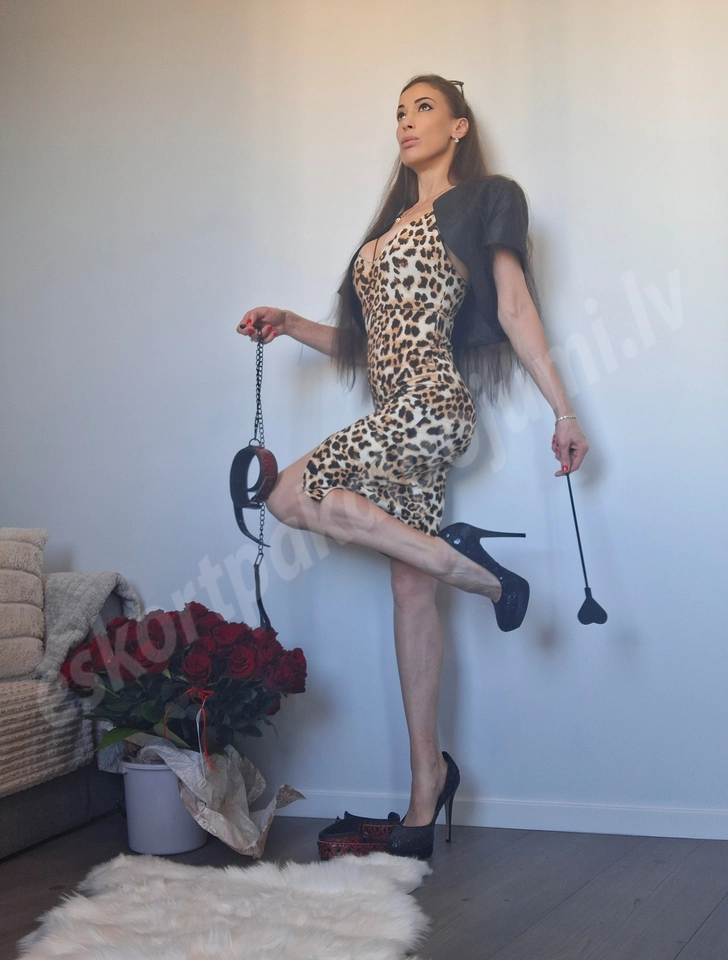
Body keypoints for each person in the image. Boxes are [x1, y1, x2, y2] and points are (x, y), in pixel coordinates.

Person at [237, 74, 589, 859]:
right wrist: (290, 323)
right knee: (408, 584)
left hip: (431, 407)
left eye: (423, 107)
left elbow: (514, 308)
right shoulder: (385, 230)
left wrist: (564, 413)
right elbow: (366, 346)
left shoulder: (484, 199)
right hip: (394, 410)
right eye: (398, 111)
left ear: (459, 126)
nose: (406, 121)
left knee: (289, 494)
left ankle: (480, 573)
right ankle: (426, 791)